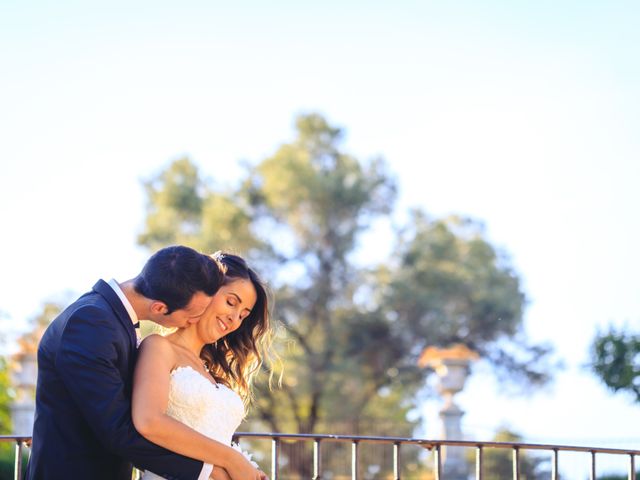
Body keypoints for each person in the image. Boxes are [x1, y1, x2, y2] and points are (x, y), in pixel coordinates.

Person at [26, 245, 262, 480]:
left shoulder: (113, 321)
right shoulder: (91, 321)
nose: (194, 318)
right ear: (160, 308)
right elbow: (119, 428)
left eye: (243, 314)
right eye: (192, 313)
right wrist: (217, 469)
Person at [133, 252, 271, 480]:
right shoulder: (159, 347)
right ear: (207, 291)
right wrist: (231, 459)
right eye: (231, 302)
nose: (234, 318)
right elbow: (149, 421)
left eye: (243, 315)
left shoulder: (211, 372)